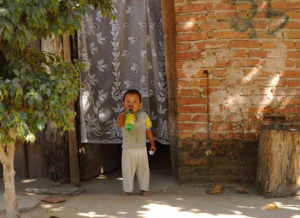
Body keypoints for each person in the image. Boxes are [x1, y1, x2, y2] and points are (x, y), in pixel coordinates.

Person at [116, 89, 156, 196]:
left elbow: (148, 130)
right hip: (128, 149)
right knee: (127, 170)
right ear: (123, 104)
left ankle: (144, 188)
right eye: (128, 102)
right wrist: (125, 113)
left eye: (135, 102)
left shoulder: (144, 116)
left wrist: (152, 144)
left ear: (140, 105)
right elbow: (119, 124)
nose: (131, 104)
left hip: (141, 148)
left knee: (143, 170)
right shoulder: (123, 116)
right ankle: (127, 190)